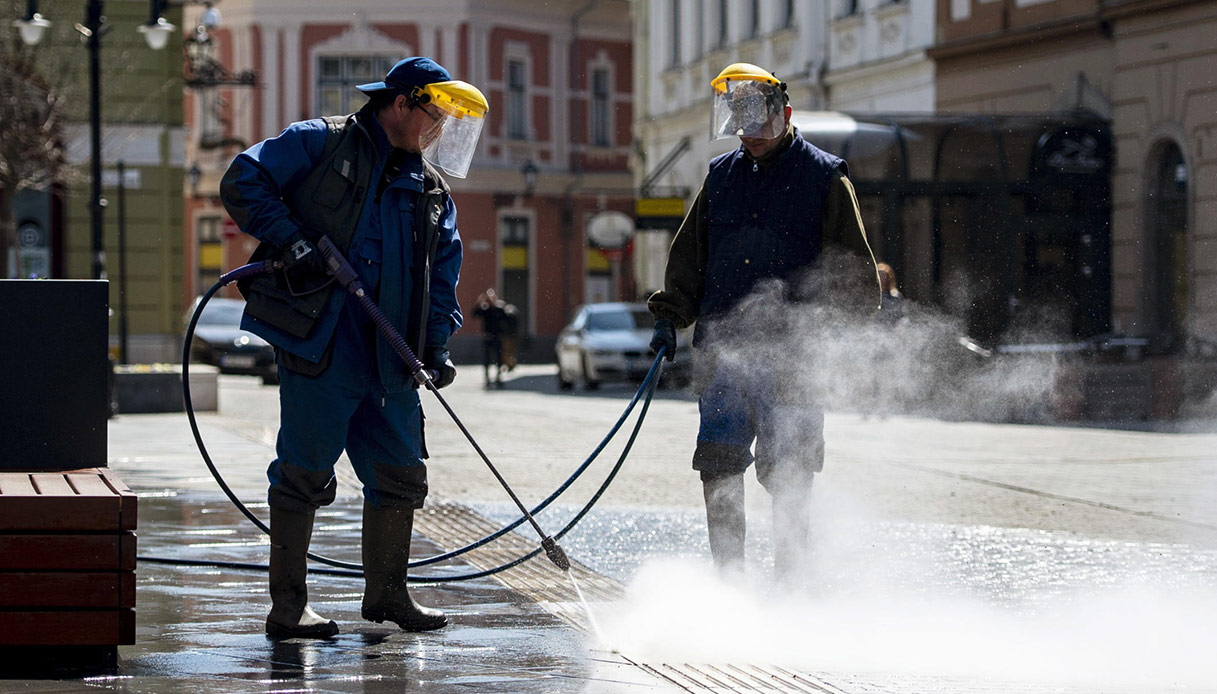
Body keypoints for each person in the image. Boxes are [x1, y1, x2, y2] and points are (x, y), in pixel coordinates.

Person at [220, 57, 487, 638]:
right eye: (435, 116)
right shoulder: (320, 143)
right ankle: (289, 607)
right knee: (304, 472)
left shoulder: (432, 190)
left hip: (391, 356)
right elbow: (243, 178)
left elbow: (443, 276)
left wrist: (435, 349)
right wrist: (291, 241)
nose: (439, 132)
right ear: (400, 103)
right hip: (325, 341)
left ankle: (388, 595)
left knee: (400, 474)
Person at [647, 63, 876, 582]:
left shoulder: (824, 177)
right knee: (718, 465)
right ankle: (729, 582)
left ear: (785, 114)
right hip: (724, 353)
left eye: (758, 123)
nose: (748, 135)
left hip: (796, 360)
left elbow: (856, 275)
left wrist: (833, 344)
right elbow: (690, 258)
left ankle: (791, 585)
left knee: (789, 473)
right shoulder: (721, 177)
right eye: (739, 123)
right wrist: (669, 317)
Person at [473, 288, 508, 387]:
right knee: (486, 359)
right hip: (487, 338)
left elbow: (507, 320)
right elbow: (474, 314)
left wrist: (504, 333)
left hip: (498, 337)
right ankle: (487, 379)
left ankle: (499, 377)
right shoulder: (485, 309)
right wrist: (479, 302)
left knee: (499, 359)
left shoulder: (499, 309)